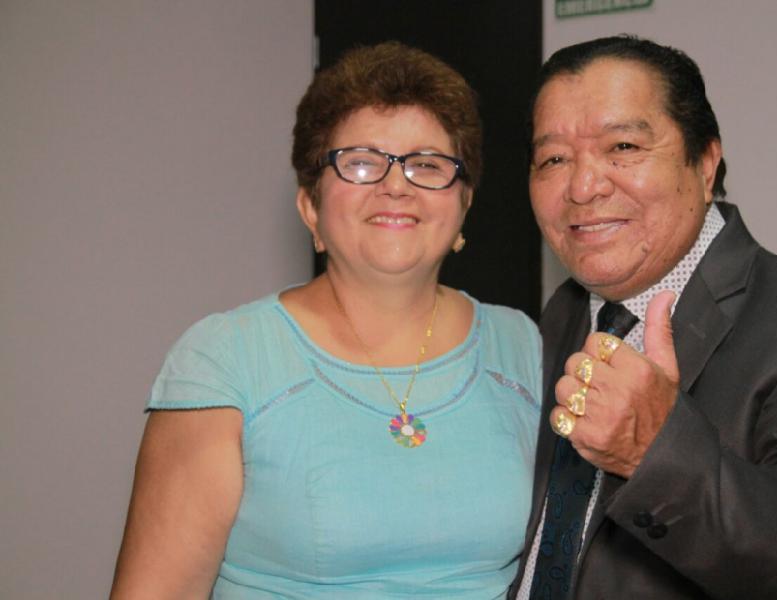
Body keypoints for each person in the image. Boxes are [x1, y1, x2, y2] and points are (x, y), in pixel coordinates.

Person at [110, 41, 541, 599]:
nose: (396, 185)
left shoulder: (523, 347)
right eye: (361, 162)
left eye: (427, 165)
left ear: (463, 205)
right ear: (311, 206)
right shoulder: (226, 360)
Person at [509, 35, 777, 599]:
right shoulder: (562, 313)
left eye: (623, 147)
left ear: (706, 162)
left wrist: (657, 453)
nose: (583, 187)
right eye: (554, 159)